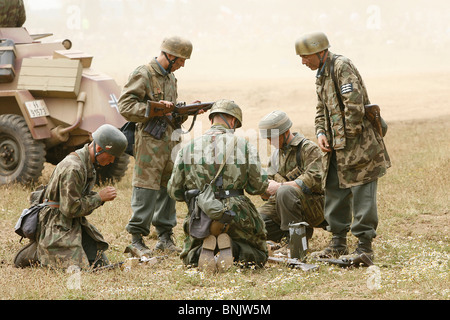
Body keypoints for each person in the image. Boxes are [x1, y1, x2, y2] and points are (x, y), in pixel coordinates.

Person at [295, 32, 391, 260]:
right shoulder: (321, 74)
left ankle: (364, 249)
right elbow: (321, 108)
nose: (303, 62)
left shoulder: (341, 66)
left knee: (362, 194)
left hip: (359, 145)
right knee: (334, 190)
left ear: (321, 52)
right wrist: (320, 132)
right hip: (337, 147)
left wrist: (345, 138)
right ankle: (337, 243)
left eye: (306, 56)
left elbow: (354, 107)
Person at [167, 99, 269, 272]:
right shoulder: (244, 146)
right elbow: (258, 186)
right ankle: (234, 249)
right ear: (233, 121)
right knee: (258, 253)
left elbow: (174, 192)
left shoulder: (187, 148)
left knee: (189, 257)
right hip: (235, 213)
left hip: (201, 215)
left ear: (212, 119)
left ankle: (200, 251)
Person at [13, 124, 128, 269]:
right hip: (55, 224)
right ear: (99, 149)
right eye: (111, 157)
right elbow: (70, 209)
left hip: (71, 223)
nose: (111, 161)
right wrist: (99, 197)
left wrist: (98, 197)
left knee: (99, 263)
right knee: (76, 269)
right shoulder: (74, 167)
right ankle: (36, 251)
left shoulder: (87, 163)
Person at [257, 110, 326, 245]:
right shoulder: (276, 156)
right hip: (285, 207)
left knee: (284, 192)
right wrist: (262, 188)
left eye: (272, 138)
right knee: (256, 222)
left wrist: (281, 187)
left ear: (285, 132)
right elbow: (268, 192)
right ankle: (293, 232)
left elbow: (316, 180)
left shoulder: (308, 149)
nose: (270, 142)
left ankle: (296, 244)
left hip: (315, 207)